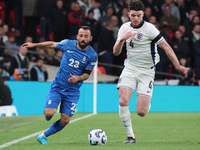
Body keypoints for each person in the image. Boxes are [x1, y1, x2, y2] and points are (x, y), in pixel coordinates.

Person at [113, 0, 190, 143]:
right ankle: (130, 136)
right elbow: (116, 52)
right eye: (133, 15)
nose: (136, 19)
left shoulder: (150, 29)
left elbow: (166, 47)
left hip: (147, 72)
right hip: (129, 68)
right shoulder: (124, 28)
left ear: (143, 15)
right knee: (123, 101)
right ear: (128, 14)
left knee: (141, 112)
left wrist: (178, 66)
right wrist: (121, 40)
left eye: (139, 16)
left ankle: (146, 103)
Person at [22, 26, 97, 144]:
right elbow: (52, 44)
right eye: (81, 36)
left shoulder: (92, 55)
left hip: (73, 91)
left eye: (86, 36)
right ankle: (49, 109)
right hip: (58, 86)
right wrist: (34, 45)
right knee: (49, 114)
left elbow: (87, 74)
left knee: (65, 120)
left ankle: (43, 136)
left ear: (90, 38)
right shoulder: (68, 44)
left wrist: (78, 78)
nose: (83, 38)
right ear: (77, 36)